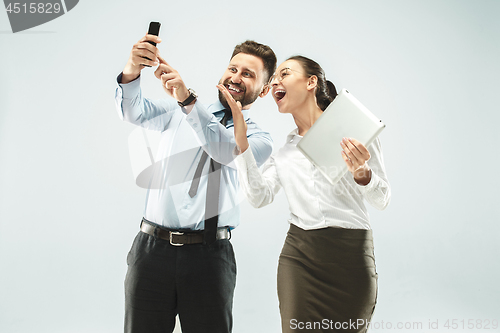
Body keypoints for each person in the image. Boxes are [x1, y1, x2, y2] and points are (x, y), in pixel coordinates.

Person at [115, 35, 276, 333]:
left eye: (248, 74)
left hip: (210, 258)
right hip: (151, 252)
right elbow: (131, 111)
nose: (236, 78)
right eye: (233, 68)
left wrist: (188, 101)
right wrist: (132, 70)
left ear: (264, 90)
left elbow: (224, 149)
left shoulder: (260, 140)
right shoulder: (177, 111)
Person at [218, 55, 391, 333]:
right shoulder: (285, 152)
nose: (276, 82)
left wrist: (362, 174)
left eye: (284, 74)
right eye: (273, 79)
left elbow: (382, 199)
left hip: (351, 256)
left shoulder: (356, 132)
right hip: (300, 258)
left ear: (311, 82)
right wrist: (241, 143)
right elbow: (259, 196)